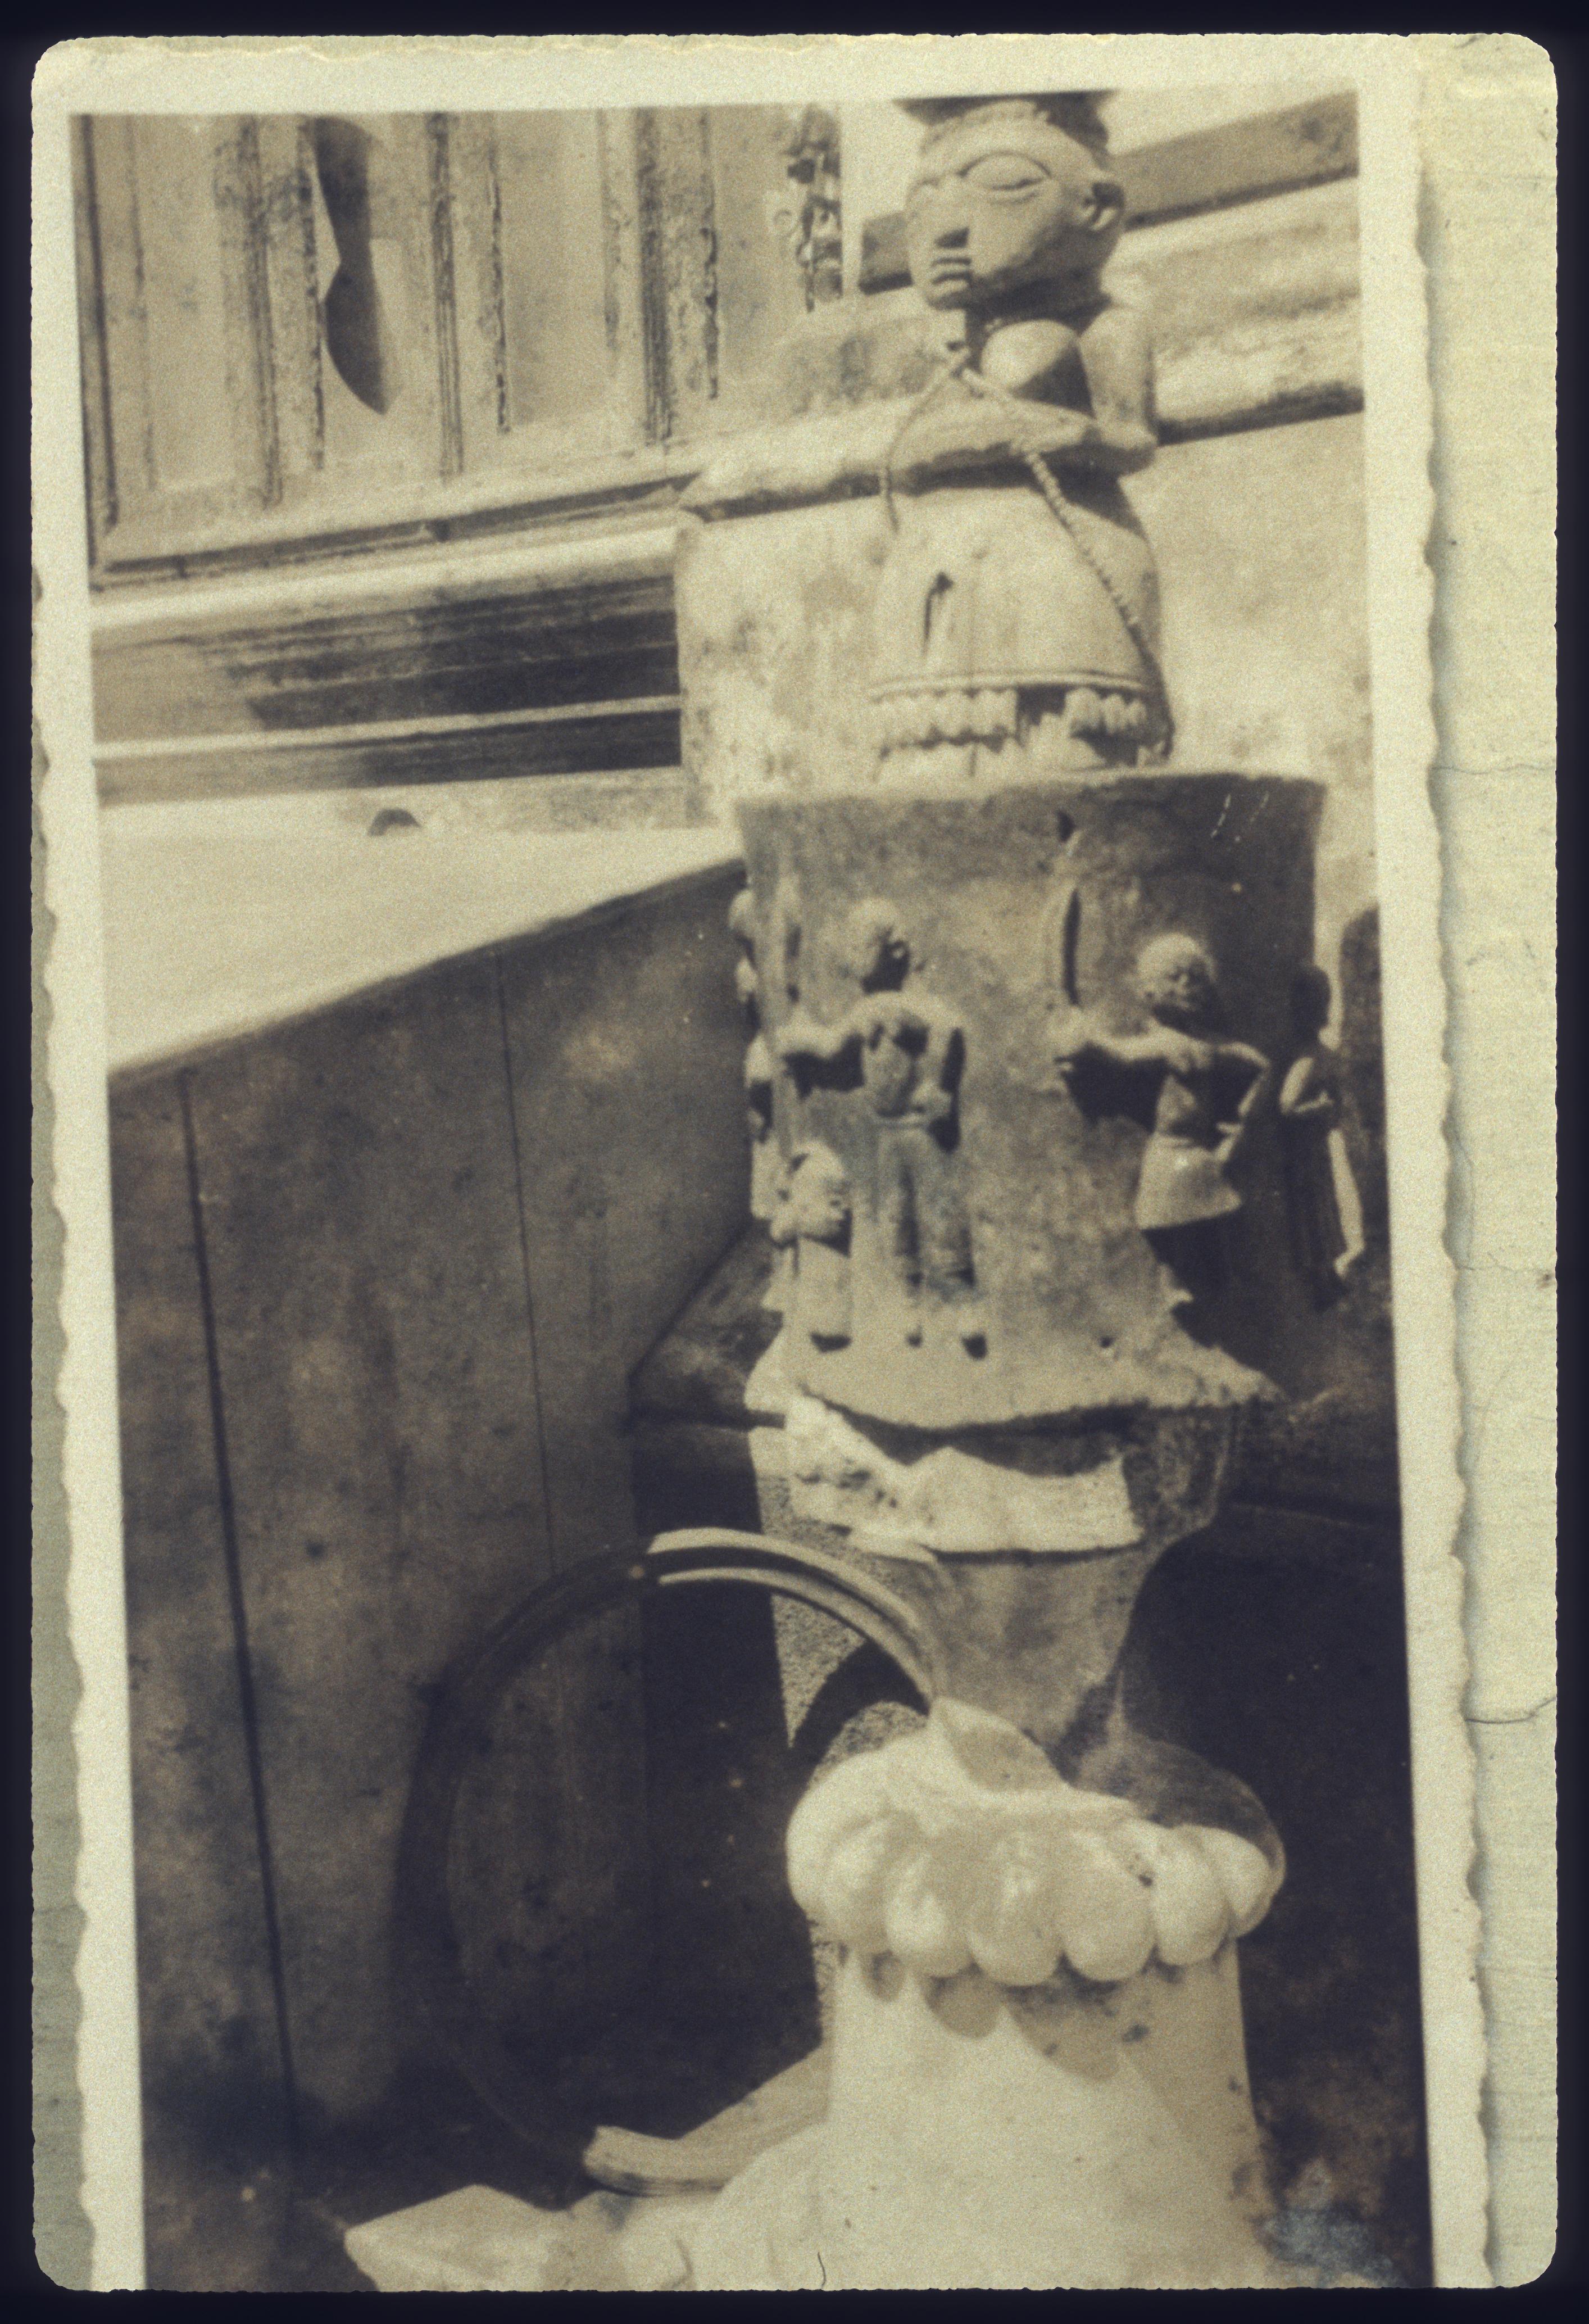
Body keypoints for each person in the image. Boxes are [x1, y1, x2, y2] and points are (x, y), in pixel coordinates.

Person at [777, 900, 982, 1349]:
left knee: (942, 1212)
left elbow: (948, 1029)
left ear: (897, 949)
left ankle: (963, 1300)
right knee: (895, 1215)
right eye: (849, 947)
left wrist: (940, 1087)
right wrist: (801, 1039)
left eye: (861, 946)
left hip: (921, 1131)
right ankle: (909, 1299)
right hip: (887, 1132)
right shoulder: (867, 1010)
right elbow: (832, 1046)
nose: (852, 958)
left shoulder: (905, 1007)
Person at [1054, 934, 1271, 1310]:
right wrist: (1088, 1041)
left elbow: (1261, 1066)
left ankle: (1218, 1277)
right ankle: (1172, 1281)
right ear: (1149, 990)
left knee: (1210, 1213)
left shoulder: (1209, 1044)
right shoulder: (1165, 1044)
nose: (1186, 986)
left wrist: (1244, 1122)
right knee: (1170, 1221)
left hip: (1200, 1150)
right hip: (1170, 1148)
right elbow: (1122, 1054)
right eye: (1174, 977)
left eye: (1194, 977)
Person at [1277, 966, 1353, 1309]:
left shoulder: (1319, 1055)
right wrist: (1320, 1108)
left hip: (1313, 1150)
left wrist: (1330, 1110)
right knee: (1312, 1213)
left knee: (1322, 1210)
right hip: (1302, 1152)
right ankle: (1320, 1281)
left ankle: (1327, 1275)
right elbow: (1287, 1107)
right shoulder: (1307, 1060)